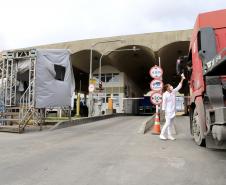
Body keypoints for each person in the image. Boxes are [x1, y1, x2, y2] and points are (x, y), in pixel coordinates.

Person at [160, 73, 186, 140]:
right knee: (167, 123)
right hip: (167, 111)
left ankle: (169, 135)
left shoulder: (173, 91)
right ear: (167, 88)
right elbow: (164, 103)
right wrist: (164, 111)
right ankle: (161, 134)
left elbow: (179, 86)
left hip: (173, 111)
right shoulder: (165, 94)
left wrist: (182, 78)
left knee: (170, 124)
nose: (171, 86)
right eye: (170, 86)